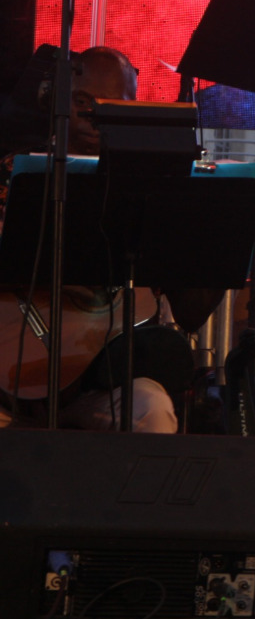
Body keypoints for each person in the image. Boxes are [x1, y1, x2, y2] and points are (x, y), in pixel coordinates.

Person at [0, 45, 187, 432]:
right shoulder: (13, 179)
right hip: (8, 384)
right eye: (82, 102)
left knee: (152, 410)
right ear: (56, 102)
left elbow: (179, 314)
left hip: (97, 385)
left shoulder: (140, 194)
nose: (93, 117)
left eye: (110, 106)